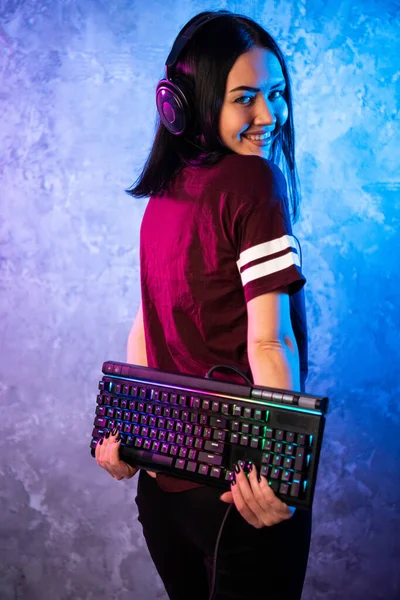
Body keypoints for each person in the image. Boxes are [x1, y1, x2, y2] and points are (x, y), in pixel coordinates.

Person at [96, 10, 311, 600]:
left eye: (277, 94)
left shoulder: (160, 199)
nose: (269, 115)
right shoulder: (253, 183)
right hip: (237, 490)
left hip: (163, 494)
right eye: (245, 99)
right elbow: (271, 341)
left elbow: (146, 323)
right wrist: (281, 474)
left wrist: (126, 432)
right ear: (185, 105)